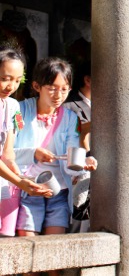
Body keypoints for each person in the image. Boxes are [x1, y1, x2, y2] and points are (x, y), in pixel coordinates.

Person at [13, 57, 97, 255]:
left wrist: (82, 163)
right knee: (27, 251)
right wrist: (33, 153)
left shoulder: (70, 118)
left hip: (59, 191)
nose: (58, 95)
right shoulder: (19, 111)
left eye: (64, 89)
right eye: (52, 88)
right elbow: (8, 153)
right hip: (28, 187)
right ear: (37, 86)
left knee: (54, 251)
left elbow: (70, 157)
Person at [0, 46, 52, 237]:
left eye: (17, 80)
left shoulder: (13, 106)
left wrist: (23, 180)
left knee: (6, 238)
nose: (11, 86)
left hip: (4, 183)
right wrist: (19, 182)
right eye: (5, 78)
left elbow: (7, 154)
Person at [63, 61, 92, 233]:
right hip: (78, 172)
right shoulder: (69, 106)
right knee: (77, 224)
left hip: (99, 175)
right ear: (87, 80)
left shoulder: (104, 105)